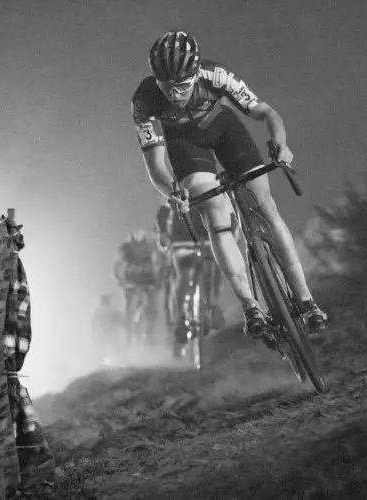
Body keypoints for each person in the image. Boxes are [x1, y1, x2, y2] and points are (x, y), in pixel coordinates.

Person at [130, 31, 327, 345]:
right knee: (214, 214)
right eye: (166, 86)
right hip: (185, 144)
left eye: (182, 85)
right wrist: (172, 191)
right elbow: (155, 165)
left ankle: (306, 300)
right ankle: (251, 307)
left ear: (196, 75)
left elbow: (266, 113)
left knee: (266, 205)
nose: (174, 94)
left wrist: (280, 144)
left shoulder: (214, 75)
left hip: (224, 130)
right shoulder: (143, 99)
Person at [154, 202, 226, 335]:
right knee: (184, 277)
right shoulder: (178, 190)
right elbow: (164, 211)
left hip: (204, 241)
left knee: (215, 271)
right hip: (182, 242)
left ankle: (212, 305)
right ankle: (181, 316)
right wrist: (162, 233)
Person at [113, 229, 164, 344]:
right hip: (132, 283)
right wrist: (121, 281)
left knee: (153, 308)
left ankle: (149, 333)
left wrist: (158, 281)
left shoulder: (151, 246)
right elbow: (118, 267)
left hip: (147, 282)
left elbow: (159, 265)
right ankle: (129, 334)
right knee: (128, 307)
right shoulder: (126, 247)